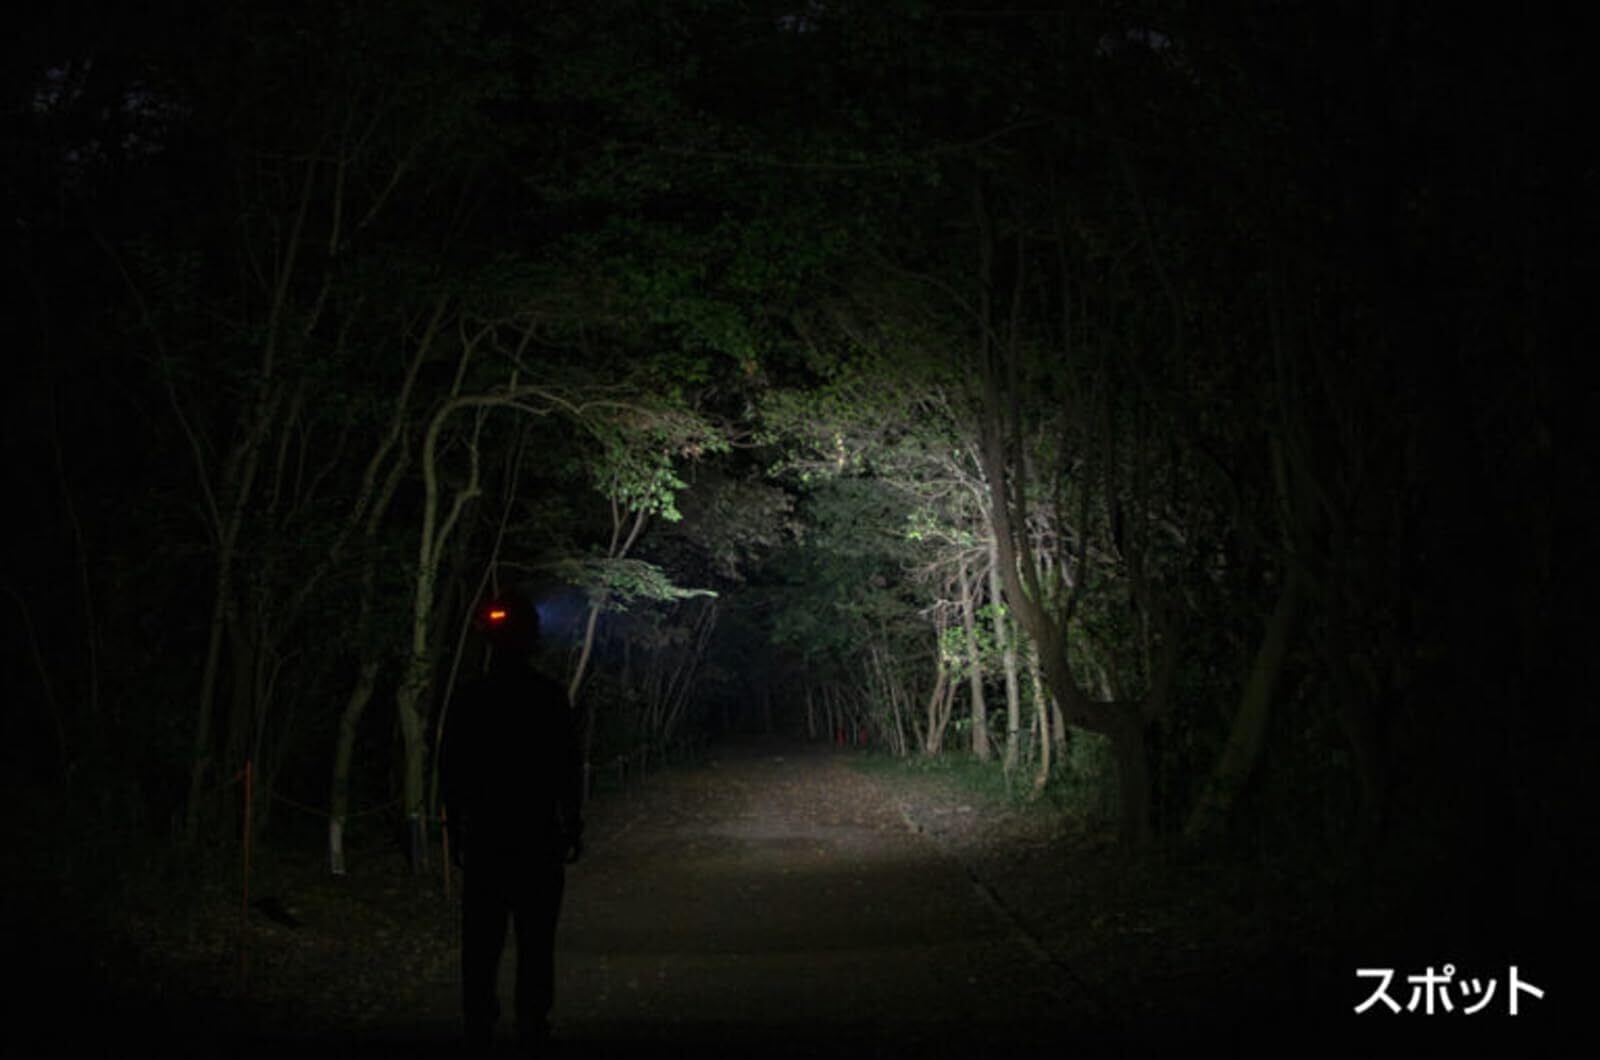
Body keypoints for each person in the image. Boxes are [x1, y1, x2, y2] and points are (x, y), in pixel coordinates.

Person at [442, 588, 583, 1055]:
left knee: (482, 941)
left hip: (488, 839)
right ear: (532, 641)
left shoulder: (471, 699)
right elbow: (568, 768)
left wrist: (455, 827)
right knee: (535, 941)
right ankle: (532, 1021)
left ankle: (479, 1020)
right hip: (536, 838)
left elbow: (452, 769)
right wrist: (573, 823)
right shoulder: (548, 697)